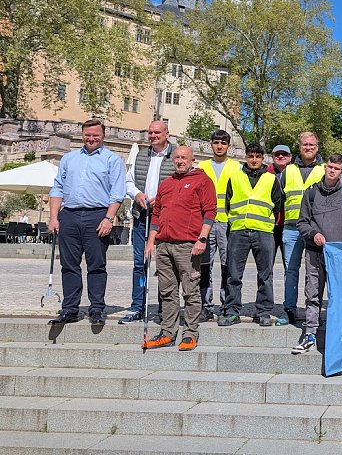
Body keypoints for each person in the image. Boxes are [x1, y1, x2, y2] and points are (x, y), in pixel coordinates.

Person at [48, 119, 126, 325]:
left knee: (96, 265)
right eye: (87, 135)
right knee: (69, 265)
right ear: (82, 135)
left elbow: (117, 192)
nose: (91, 139)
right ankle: (70, 309)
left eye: (95, 135)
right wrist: (53, 217)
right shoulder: (69, 159)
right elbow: (57, 188)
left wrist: (109, 218)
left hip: (97, 216)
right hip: (69, 215)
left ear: (103, 135)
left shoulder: (112, 160)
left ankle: (97, 308)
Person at [142, 146, 216, 351]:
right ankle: (167, 333)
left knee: (190, 291)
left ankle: (190, 334)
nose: (180, 161)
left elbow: (210, 212)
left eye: (184, 157)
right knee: (167, 291)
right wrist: (151, 242)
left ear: (192, 160)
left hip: (188, 245)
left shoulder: (203, 181)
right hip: (164, 245)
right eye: (177, 157)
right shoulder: (167, 183)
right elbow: (156, 214)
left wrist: (202, 239)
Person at [293, 154, 342, 353]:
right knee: (312, 295)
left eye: (337, 168)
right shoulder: (311, 192)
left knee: (338, 297)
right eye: (330, 166)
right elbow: (302, 222)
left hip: (338, 256)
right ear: (325, 167)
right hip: (314, 253)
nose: (332, 171)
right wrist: (313, 234)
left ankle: (338, 336)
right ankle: (309, 334)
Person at [218, 143, 283, 327]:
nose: (254, 160)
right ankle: (232, 311)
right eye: (251, 156)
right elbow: (228, 203)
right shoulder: (235, 177)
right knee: (234, 274)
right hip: (238, 230)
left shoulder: (271, 179)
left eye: (258, 156)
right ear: (246, 157)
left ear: (263, 158)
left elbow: (277, 204)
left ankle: (263, 311)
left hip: (263, 231)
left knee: (265, 274)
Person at [119, 121, 176, 324]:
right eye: (150, 133)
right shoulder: (141, 155)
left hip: (166, 219)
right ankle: (137, 306)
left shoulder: (176, 155)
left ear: (167, 134)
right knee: (139, 263)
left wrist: (161, 198)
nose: (153, 136)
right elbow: (128, 181)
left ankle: (164, 309)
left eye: (157, 132)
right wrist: (137, 194)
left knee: (165, 265)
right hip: (142, 217)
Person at [280, 131, 325, 325]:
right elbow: (279, 197)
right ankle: (289, 308)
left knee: (314, 272)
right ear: (299, 147)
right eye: (305, 145)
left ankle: (312, 311)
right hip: (291, 228)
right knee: (291, 270)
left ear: (317, 147)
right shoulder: (288, 170)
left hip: (315, 229)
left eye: (311, 145)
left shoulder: (324, 170)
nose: (308, 148)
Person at [196, 129, 239, 322]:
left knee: (227, 265)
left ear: (228, 146)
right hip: (205, 222)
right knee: (204, 265)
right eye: (216, 142)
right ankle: (205, 306)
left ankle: (226, 304)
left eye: (223, 143)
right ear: (211, 144)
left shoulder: (236, 167)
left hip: (227, 222)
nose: (219, 146)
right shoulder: (202, 166)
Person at [267, 144, 292, 267]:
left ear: (290, 157)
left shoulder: (296, 173)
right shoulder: (265, 173)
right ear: (272, 157)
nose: (281, 156)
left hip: (289, 224)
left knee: (290, 265)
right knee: (266, 264)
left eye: (284, 154)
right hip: (269, 225)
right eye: (277, 154)